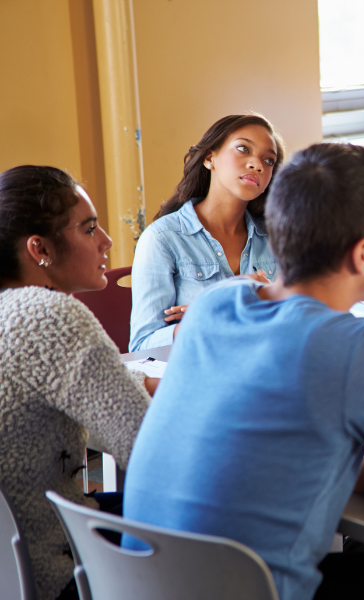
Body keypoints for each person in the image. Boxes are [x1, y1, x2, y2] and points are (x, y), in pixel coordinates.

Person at [123, 143, 364, 600]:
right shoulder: (355, 346)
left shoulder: (213, 308)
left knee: (362, 579)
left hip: (141, 584)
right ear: (362, 253)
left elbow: (272, 434)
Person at [0, 166, 153, 600]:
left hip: (10, 572)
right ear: (40, 248)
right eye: (89, 228)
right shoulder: (48, 316)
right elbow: (150, 449)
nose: (106, 240)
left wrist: (144, 381)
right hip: (56, 572)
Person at [128, 113, 286, 351]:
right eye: (243, 149)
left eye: (269, 161)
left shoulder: (277, 238)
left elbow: (297, 321)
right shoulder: (162, 238)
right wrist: (207, 315)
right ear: (210, 158)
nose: (257, 165)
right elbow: (142, 346)